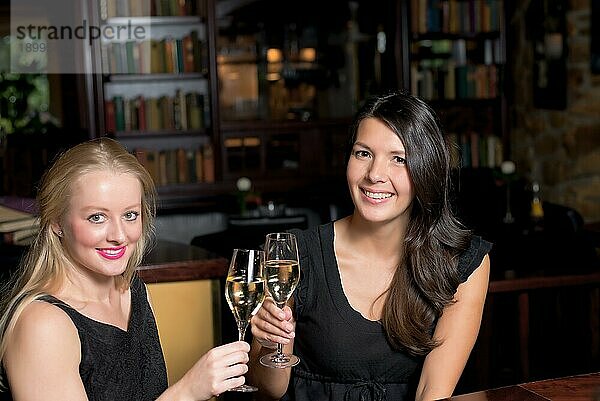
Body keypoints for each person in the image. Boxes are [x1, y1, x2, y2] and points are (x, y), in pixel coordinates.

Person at [248, 90, 492, 401]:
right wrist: (270, 342)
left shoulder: (460, 262)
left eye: (399, 159)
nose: (375, 175)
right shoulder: (295, 254)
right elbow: (269, 389)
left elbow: (433, 392)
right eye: (363, 153)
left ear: (426, 168)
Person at [0, 137, 250, 401]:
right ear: (56, 223)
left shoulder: (133, 291)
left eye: (130, 215)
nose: (119, 235)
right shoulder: (41, 325)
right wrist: (185, 393)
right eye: (97, 217)